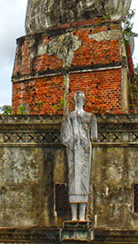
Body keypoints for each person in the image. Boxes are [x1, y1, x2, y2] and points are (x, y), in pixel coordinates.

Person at [61, 91, 98, 221]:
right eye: (77, 98)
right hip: (72, 150)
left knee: (83, 179)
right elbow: (64, 138)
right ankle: (74, 216)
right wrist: (72, 142)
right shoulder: (68, 117)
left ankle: (82, 215)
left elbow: (94, 135)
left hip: (84, 149)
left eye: (80, 98)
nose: (78, 100)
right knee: (73, 180)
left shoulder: (90, 117)